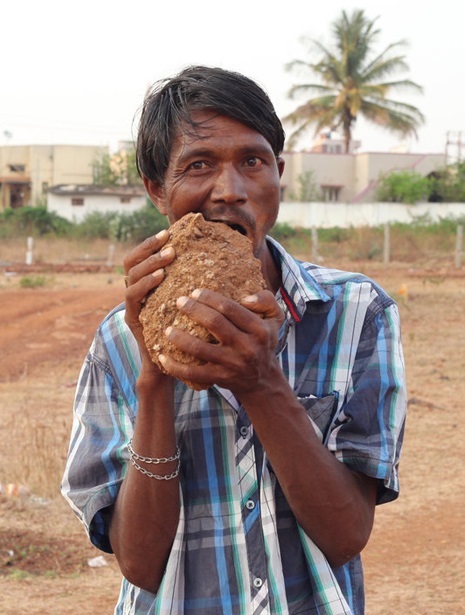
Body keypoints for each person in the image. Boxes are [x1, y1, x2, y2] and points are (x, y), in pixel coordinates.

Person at [61, 65, 406, 615]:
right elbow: (141, 565)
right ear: (156, 189)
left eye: (253, 160)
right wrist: (154, 378)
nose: (231, 190)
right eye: (199, 165)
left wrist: (262, 383)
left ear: (279, 173)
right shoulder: (117, 341)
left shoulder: (356, 313)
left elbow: (346, 536)